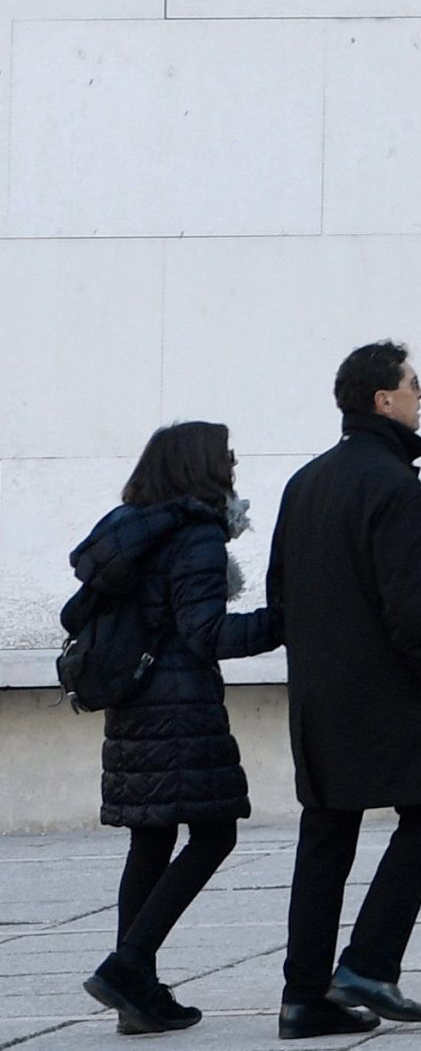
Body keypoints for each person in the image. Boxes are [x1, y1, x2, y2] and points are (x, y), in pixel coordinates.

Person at [270, 342, 421, 1036]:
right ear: (383, 400)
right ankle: (370, 963)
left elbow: (281, 598)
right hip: (389, 690)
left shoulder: (306, 482)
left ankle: (302, 998)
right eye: (413, 385)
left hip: (319, 695)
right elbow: (410, 608)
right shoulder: (395, 484)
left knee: (326, 833)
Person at [71, 421, 280, 1035]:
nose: (234, 465)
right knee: (215, 835)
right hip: (181, 707)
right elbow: (207, 633)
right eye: (227, 457)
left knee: (152, 837)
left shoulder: (133, 530)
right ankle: (129, 966)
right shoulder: (196, 537)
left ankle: (138, 997)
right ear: (200, 467)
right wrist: (288, 620)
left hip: (134, 704)